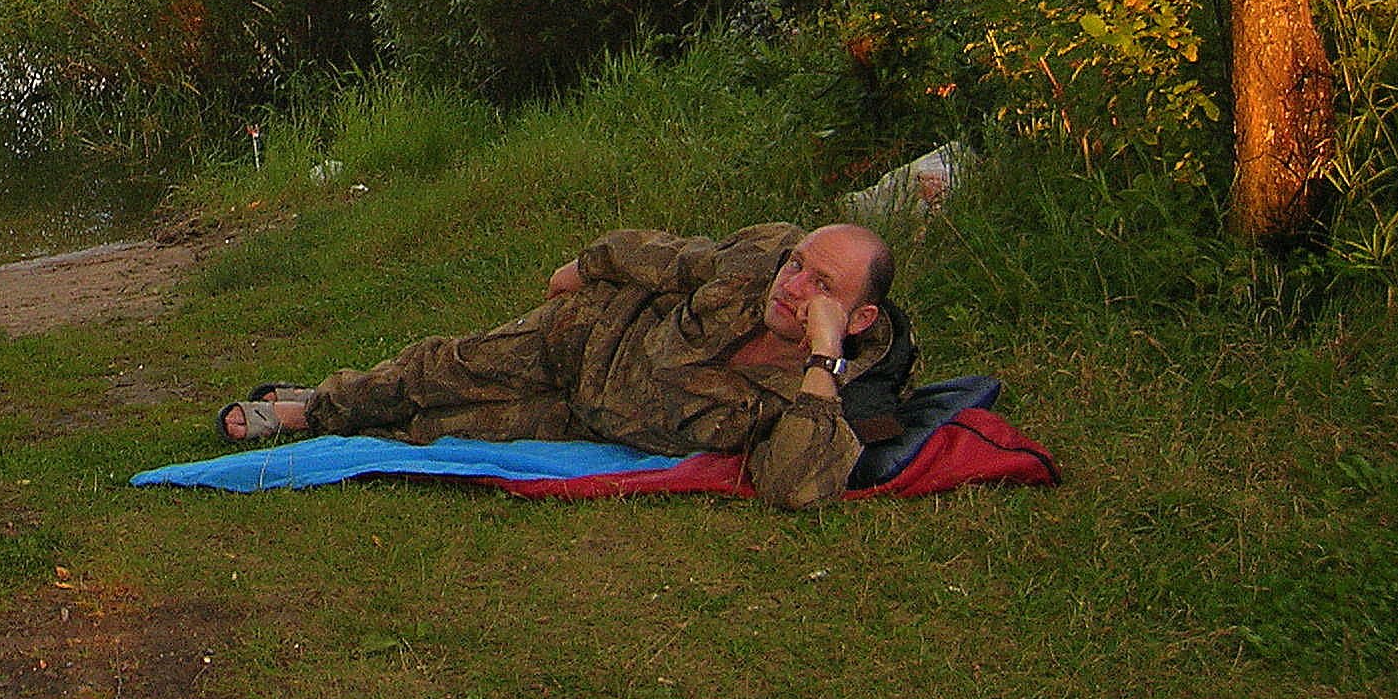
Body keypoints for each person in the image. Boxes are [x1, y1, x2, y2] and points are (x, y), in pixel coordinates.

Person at [217, 221, 915, 510]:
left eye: (820, 285)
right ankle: (313, 407)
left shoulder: (827, 393)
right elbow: (668, 255)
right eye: (797, 266)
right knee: (441, 369)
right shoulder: (760, 259)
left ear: (859, 319)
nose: (792, 287)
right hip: (586, 338)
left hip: (594, 418)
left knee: (449, 431)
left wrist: (823, 356)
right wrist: (581, 270)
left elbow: (796, 487)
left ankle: (341, 434)